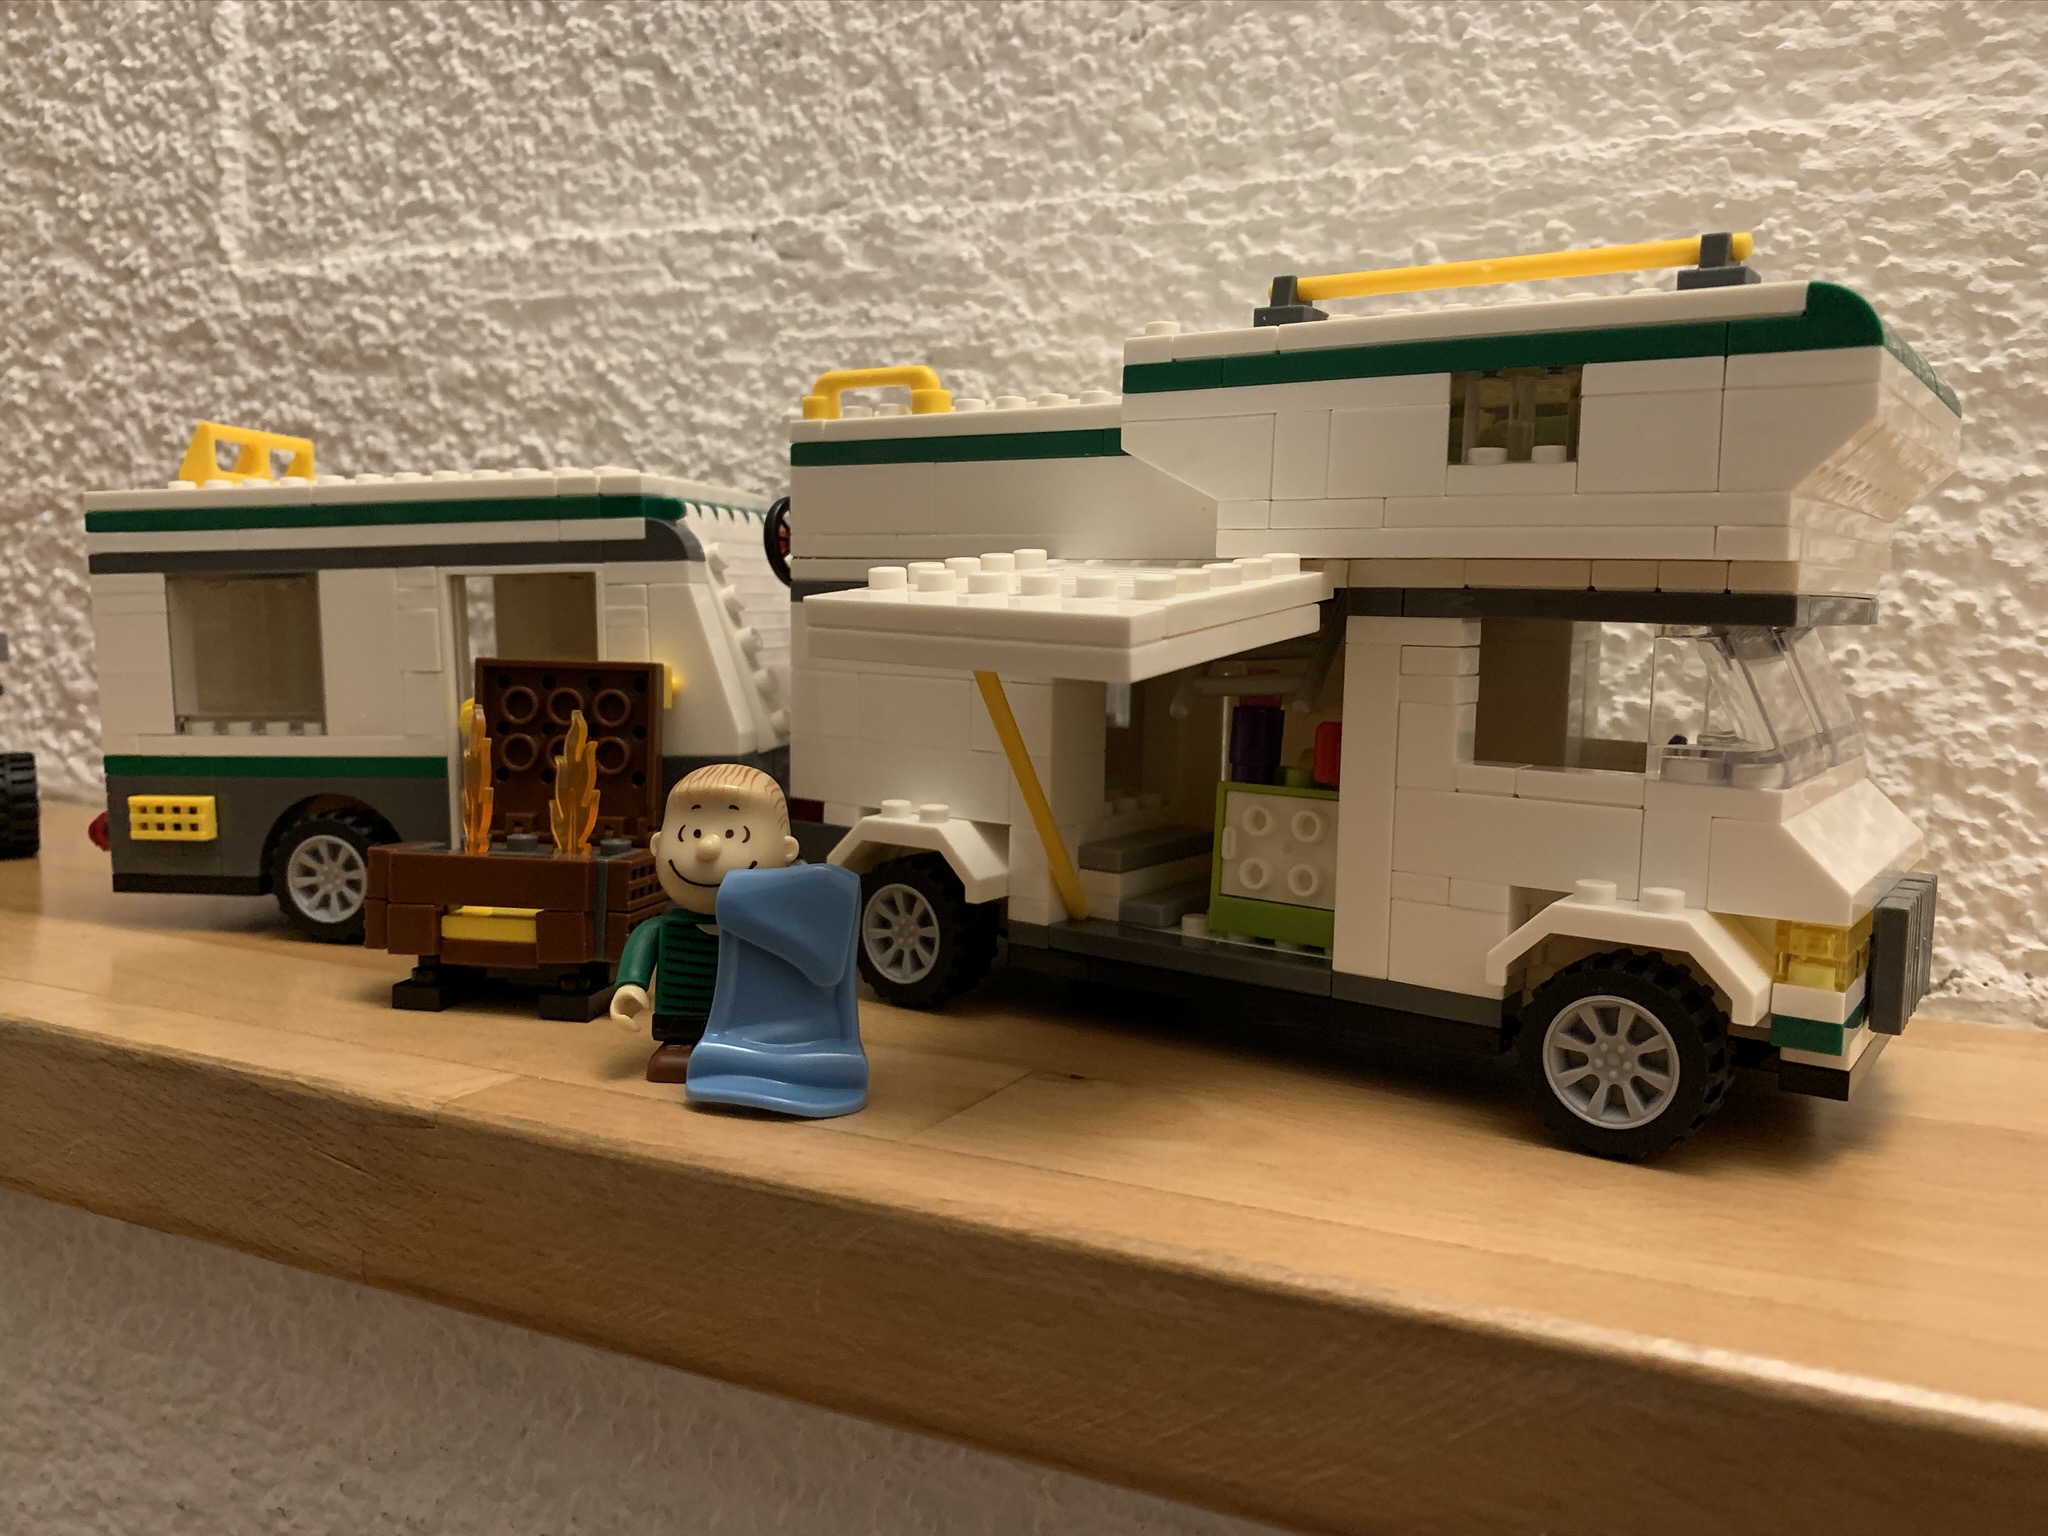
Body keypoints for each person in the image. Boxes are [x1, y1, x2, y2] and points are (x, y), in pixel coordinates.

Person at [610, 763, 800, 1082]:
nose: (707, 848)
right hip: (681, 1018)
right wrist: (630, 986)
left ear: (787, 851)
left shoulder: (769, 929)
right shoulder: (665, 927)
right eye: (690, 834)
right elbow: (643, 944)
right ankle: (683, 1047)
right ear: (657, 844)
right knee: (677, 1051)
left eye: (733, 835)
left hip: (751, 1023)